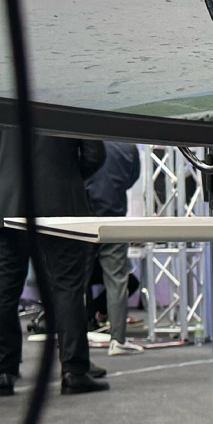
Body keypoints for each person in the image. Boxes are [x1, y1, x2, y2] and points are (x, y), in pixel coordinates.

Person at [0, 126, 108, 396]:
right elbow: (94, 154)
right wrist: (68, 175)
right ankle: (74, 370)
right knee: (67, 288)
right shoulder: (70, 94)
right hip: (62, 203)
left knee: (5, 291)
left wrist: (5, 173)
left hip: (7, 202)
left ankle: (3, 373)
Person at [84, 140, 143, 355]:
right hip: (114, 215)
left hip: (84, 216)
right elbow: (133, 177)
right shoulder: (128, 146)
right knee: (117, 280)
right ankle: (118, 339)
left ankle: (73, 336)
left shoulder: (83, 138)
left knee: (76, 279)